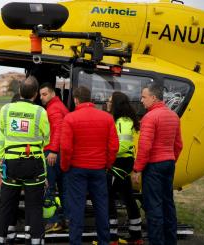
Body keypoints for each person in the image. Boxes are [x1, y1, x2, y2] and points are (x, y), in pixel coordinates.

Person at [0, 75, 50, 245]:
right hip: (33, 164)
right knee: (34, 207)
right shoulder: (40, 112)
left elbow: (2, 137)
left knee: (6, 206)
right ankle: (34, 241)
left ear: (19, 91)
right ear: (35, 94)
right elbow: (46, 139)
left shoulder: (5, 110)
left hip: (11, 165)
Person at [60, 86, 119, 245]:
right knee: (101, 207)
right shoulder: (107, 118)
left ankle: (75, 241)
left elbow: (65, 148)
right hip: (98, 168)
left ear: (76, 100)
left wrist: (65, 166)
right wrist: (107, 164)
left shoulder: (70, 118)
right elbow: (114, 146)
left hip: (77, 169)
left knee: (76, 209)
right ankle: (104, 241)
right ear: (90, 99)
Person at [132, 83, 183, 245]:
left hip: (154, 166)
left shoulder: (150, 117)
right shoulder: (173, 116)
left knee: (154, 207)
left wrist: (137, 169)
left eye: (144, 97)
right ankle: (170, 241)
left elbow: (145, 146)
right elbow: (179, 144)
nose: (141, 100)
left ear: (154, 98)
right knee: (168, 204)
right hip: (168, 163)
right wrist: (171, 159)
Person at [106, 91, 143, 245]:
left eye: (109, 101)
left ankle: (112, 237)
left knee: (109, 197)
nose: (107, 103)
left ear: (116, 104)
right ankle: (136, 236)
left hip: (119, 162)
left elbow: (121, 146)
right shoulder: (125, 120)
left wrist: (107, 154)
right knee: (128, 197)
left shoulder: (122, 122)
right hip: (125, 162)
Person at [39, 82, 69, 232]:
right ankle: (66, 219)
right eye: (40, 95)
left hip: (53, 154)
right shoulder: (59, 106)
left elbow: (58, 130)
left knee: (48, 188)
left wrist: (53, 151)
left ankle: (53, 221)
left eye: (44, 94)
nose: (42, 97)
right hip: (62, 154)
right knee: (64, 189)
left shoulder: (54, 108)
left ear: (52, 94)